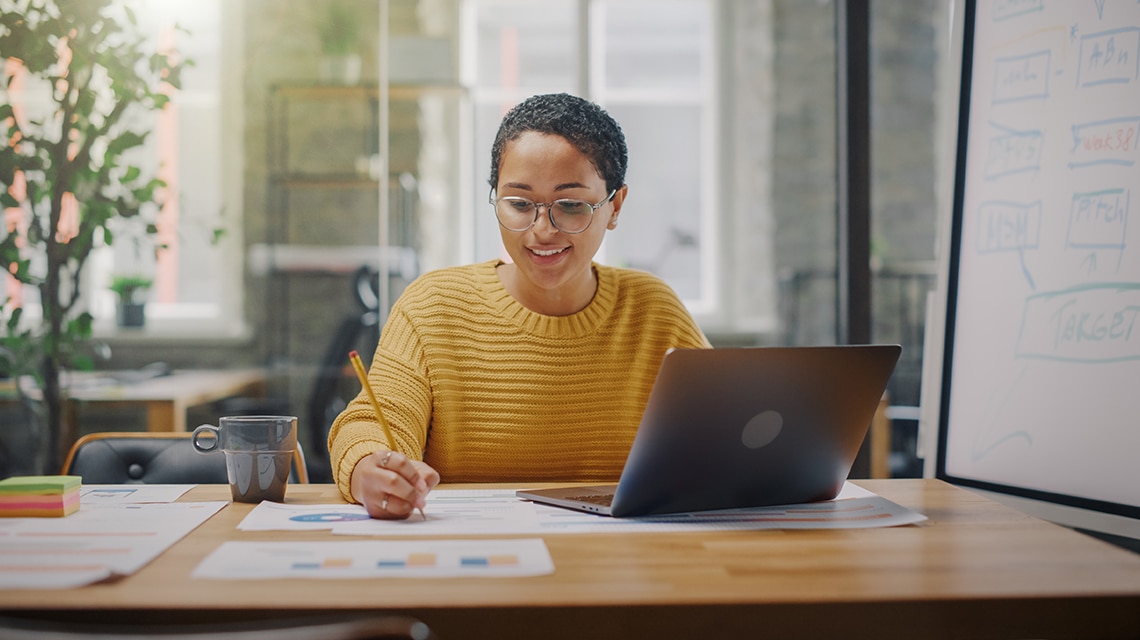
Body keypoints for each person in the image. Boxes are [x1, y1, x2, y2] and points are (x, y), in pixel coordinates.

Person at [327, 93, 710, 519]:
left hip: (622, 566)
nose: (541, 230)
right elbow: (370, 423)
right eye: (520, 204)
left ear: (614, 206)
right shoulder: (433, 306)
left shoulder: (653, 310)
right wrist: (370, 469)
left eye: (570, 205)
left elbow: (724, 436)